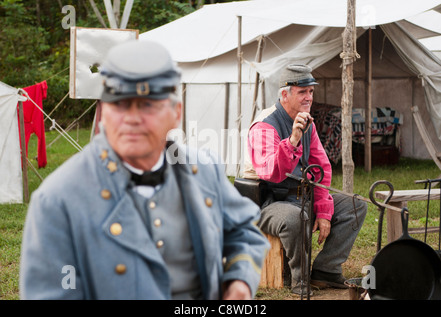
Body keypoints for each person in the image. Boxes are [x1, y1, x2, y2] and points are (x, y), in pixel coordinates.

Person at [19, 40, 269, 300]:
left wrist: (239, 281)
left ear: (176, 113)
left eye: (148, 104)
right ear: (103, 112)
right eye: (120, 104)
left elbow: (244, 231)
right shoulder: (59, 199)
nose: (132, 118)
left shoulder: (204, 171)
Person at [244, 64, 367, 295]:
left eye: (311, 91)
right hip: (267, 204)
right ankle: (299, 281)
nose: (309, 97)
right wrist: (292, 141)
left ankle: (326, 271)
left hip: (300, 197)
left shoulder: (306, 122)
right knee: (294, 217)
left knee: (355, 205)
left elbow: (321, 168)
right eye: (302, 92)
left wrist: (322, 210)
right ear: (285, 94)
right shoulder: (264, 126)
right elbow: (271, 172)